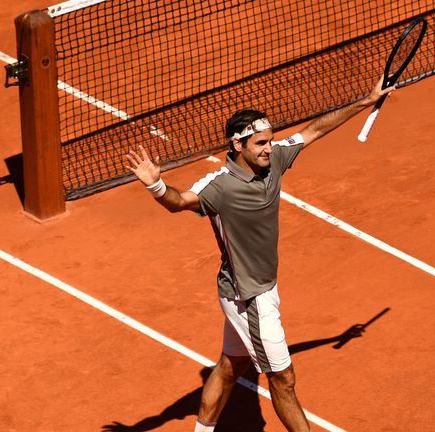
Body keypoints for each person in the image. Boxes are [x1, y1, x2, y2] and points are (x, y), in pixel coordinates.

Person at [125, 77, 394, 432]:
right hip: (247, 297)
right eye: (261, 143)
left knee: (229, 366)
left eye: (270, 141)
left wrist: (365, 101)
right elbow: (179, 202)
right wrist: (156, 185)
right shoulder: (219, 186)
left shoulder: (274, 160)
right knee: (283, 379)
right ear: (238, 145)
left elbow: (312, 132)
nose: (270, 148)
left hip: (259, 288)